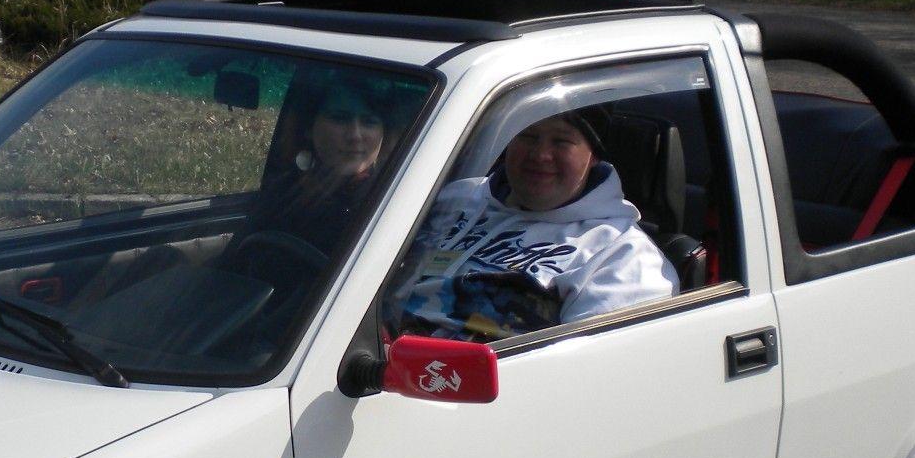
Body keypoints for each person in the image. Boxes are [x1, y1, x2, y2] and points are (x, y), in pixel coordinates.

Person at [397, 109, 677, 340]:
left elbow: (583, 371)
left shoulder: (625, 258)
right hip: (378, 350)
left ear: (593, 155)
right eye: (528, 136)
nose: (541, 154)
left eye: (561, 141)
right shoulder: (456, 198)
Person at [251, 77, 390, 255]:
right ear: (309, 127)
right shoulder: (284, 191)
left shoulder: (392, 201)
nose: (355, 135)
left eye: (369, 122)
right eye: (340, 119)